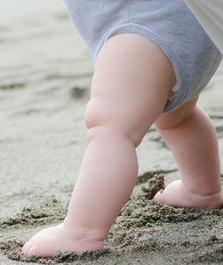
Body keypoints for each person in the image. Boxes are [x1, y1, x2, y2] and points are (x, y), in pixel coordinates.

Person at [22, 0, 223, 258]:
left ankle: (81, 231)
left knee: (111, 130)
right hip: (193, 27)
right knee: (177, 116)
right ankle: (201, 190)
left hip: (140, 28)